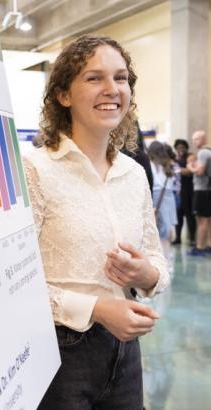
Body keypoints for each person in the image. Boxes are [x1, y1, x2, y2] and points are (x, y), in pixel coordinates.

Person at [23, 35, 170, 409]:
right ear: (63, 95)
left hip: (125, 351)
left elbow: (156, 261)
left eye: (121, 78)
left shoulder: (133, 174)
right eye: (94, 78)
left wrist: (144, 275)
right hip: (60, 353)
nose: (112, 89)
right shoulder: (34, 170)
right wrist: (97, 309)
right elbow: (16, 288)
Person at [148, 141, 178, 267]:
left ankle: (163, 258)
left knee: (161, 228)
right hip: (169, 196)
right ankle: (167, 255)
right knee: (168, 227)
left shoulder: (152, 164)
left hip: (157, 195)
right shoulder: (169, 165)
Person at [186, 130, 211, 256]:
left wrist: (190, 165)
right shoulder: (209, 151)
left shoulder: (202, 152)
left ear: (202, 139)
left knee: (202, 220)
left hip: (201, 190)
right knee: (208, 220)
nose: (194, 142)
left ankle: (200, 248)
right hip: (207, 190)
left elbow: (199, 171)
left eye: (196, 139)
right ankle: (208, 245)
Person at [172, 139, 196, 246]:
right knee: (178, 215)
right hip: (177, 191)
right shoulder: (175, 158)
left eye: (182, 147)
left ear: (186, 148)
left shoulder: (190, 156)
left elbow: (190, 171)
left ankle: (192, 238)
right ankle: (178, 238)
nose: (180, 149)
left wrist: (178, 169)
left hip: (188, 190)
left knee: (189, 214)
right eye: (178, 147)